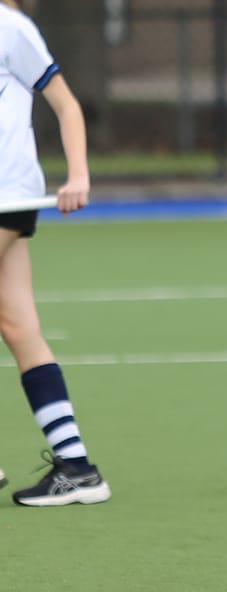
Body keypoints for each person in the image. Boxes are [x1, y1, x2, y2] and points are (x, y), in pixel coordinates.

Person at [0, 0, 111, 506]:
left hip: (8, 195)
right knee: (19, 328)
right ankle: (77, 468)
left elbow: (65, 104)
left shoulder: (10, 27)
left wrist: (79, 176)